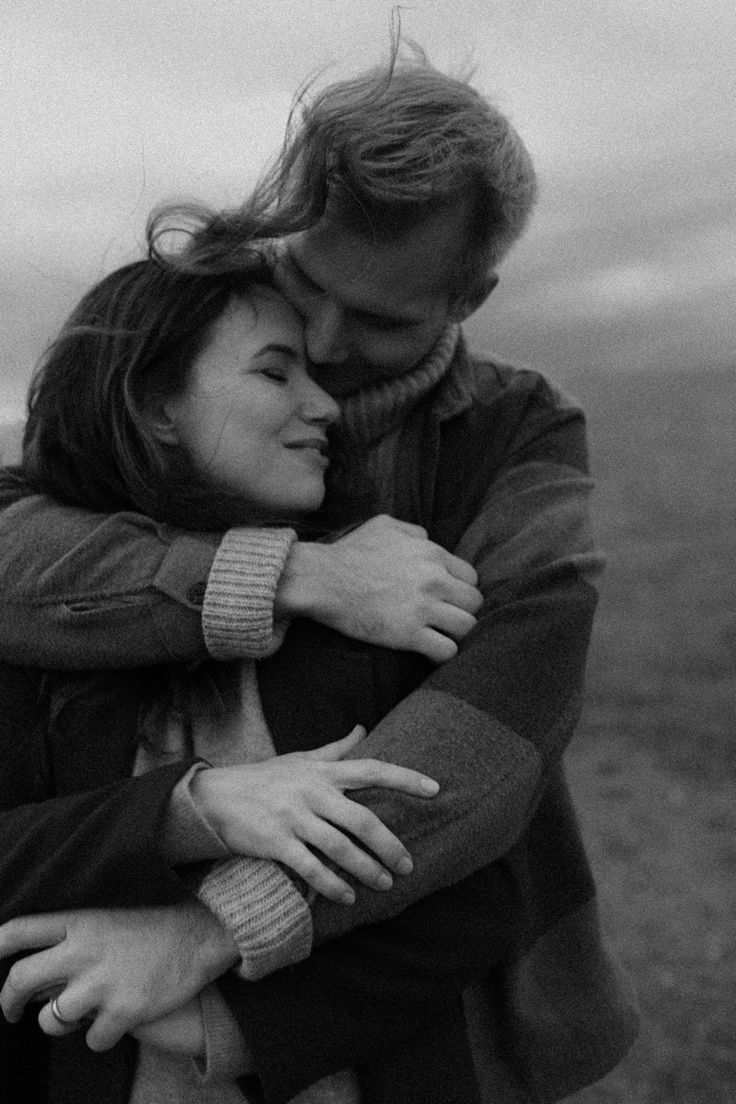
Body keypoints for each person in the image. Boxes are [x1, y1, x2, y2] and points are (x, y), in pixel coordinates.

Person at [0, 44, 638, 1104]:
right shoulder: (194, 340)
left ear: (470, 295)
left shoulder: (518, 432)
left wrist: (215, 927)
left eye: (385, 319)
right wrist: (290, 576)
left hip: (416, 977)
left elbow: (503, 721)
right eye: (306, 290)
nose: (329, 353)